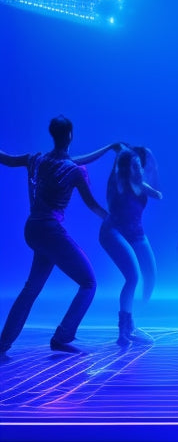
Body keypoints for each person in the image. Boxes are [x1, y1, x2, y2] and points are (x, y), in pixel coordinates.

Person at [0, 116, 117, 357]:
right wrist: (112, 219)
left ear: (52, 134)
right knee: (89, 282)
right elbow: (92, 204)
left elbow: (8, 160)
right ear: (71, 136)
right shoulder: (73, 171)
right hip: (50, 231)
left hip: (33, 229)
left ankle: (3, 345)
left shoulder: (37, 159)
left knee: (31, 289)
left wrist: (107, 149)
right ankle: (62, 337)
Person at [99, 145, 162, 347]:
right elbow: (118, 168)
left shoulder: (142, 185)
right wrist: (119, 153)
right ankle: (125, 330)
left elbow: (159, 194)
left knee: (151, 276)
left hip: (136, 233)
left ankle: (135, 317)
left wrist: (149, 158)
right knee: (133, 277)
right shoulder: (119, 183)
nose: (139, 170)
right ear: (127, 169)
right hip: (113, 232)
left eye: (140, 166)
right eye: (135, 166)